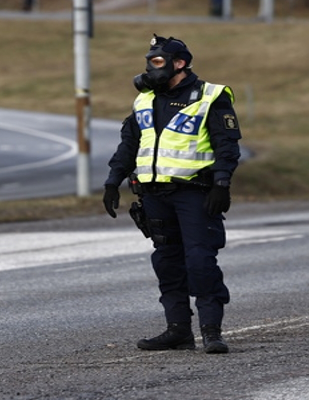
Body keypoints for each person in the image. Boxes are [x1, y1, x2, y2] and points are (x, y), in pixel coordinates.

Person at [102, 34, 242, 354]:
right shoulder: (145, 100)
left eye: (159, 62)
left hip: (194, 193)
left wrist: (222, 183)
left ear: (180, 63)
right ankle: (178, 330)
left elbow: (227, 145)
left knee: (200, 261)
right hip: (154, 195)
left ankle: (211, 330)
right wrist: (113, 181)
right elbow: (129, 145)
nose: (152, 68)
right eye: (150, 62)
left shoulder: (211, 96)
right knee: (167, 263)